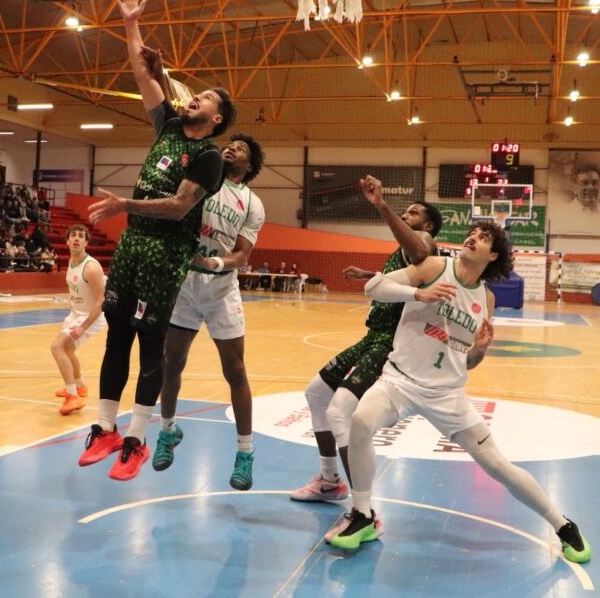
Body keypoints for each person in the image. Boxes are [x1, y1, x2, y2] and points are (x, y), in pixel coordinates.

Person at [327, 221, 592, 565]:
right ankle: (363, 514)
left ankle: (563, 525)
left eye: (483, 238)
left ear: (493, 255)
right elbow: (374, 287)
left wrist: (480, 349)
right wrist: (417, 294)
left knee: (497, 465)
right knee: (361, 421)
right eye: (474, 233)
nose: (473, 238)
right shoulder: (436, 266)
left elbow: (466, 361)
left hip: (447, 394)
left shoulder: (487, 299)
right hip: (401, 381)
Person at [77, 0, 235, 482]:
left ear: (216, 120)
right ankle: (104, 427)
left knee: (150, 344)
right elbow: (143, 73)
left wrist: (125, 205)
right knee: (116, 335)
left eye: (206, 98)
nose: (197, 97)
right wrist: (131, 25)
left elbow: (179, 207)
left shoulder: (209, 157)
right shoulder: (167, 126)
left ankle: (137, 439)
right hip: (132, 248)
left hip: (165, 253)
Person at [290, 176, 442, 506]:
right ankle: (330, 480)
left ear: (428, 224)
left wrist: (382, 205)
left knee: (340, 413)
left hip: (388, 344)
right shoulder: (402, 251)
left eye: (414, 212)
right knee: (316, 392)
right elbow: (397, 277)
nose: (407, 214)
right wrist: (370, 276)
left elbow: (419, 250)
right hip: (371, 337)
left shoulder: (425, 243)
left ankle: (363, 507)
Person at [153, 132, 266, 490]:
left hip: (220, 288)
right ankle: (168, 431)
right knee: (171, 364)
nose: (231, 148)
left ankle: (245, 453)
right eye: (230, 144)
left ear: (249, 166)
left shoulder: (251, 202)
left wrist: (213, 262)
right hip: (183, 285)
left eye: (242, 148)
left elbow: (242, 254)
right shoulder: (199, 179)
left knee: (235, 370)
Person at [52, 225, 107, 415]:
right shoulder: (72, 261)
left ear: (86, 242)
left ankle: (72, 396)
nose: (76, 238)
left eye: (81, 236)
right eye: (73, 235)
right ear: (67, 241)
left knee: (57, 347)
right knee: (68, 349)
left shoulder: (91, 267)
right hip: (76, 313)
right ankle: (79, 386)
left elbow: (101, 300)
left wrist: (84, 327)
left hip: (91, 315)